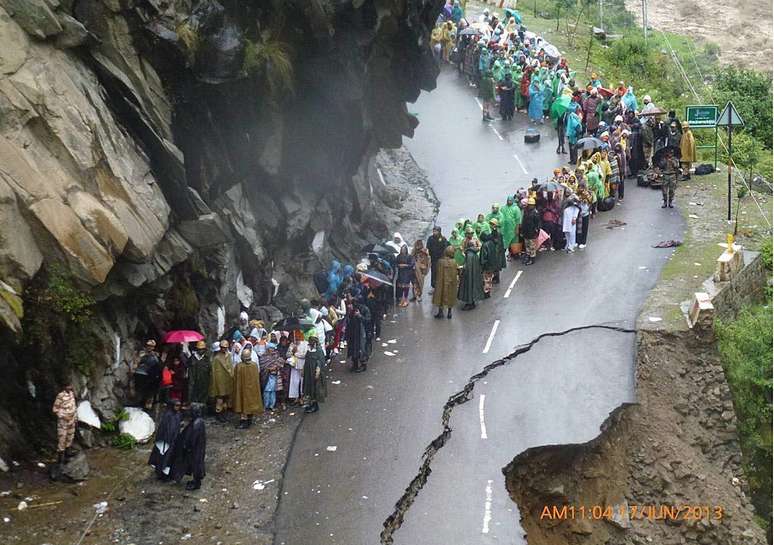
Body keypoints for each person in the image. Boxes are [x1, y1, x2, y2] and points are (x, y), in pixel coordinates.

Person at [170, 404, 206, 491]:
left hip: (195, 449)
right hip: (197, 448)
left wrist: (187, 446)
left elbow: (192, 438)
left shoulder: (197, 424)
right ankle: (194, 480)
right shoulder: (198, 422)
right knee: (195, 464)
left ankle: (196, 483)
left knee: (196, 465)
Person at [148, 400, 182, 480]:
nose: (178, 407)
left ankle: (166, 473)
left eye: (179, 405)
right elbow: (162, 429)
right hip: (165, 441)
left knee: (169, 458)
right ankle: (160, 473)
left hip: (173, 440)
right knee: (162, 457)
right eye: (176, 405)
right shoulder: (167, 416)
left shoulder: (178, 415)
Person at [233, 348, 263, 429]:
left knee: (244, 404)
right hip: (250, 389)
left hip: (243, 390)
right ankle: (249, 419)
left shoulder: (239, 366)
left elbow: (235, 379)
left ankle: (245, 421)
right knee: (250, 403)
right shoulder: (254, 365)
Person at [52, 383, 77, 465]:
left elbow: (74, 407)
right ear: (64, 386)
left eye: (70, 386)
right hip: (63, 422)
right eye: (68, 386)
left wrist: (75, 418)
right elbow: (55, 409)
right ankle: (60, 459)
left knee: (70, 437)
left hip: (72, 421)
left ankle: (67, 455)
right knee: (62, 439)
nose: (70, 387)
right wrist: (64, 416)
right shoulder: (60, 396)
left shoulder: (72, 394)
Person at [209, 340, 233, 423]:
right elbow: (214, 372)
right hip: (219, 382)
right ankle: (219, 414)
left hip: (227, 380)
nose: (224, 349)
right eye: (222, 347)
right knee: (220, 398)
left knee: (226, 398)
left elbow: (231, 367)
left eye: (225, 348)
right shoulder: (216, 358)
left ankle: (224, 413)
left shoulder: (229, 355)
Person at [432, 246, 459, 319]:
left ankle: (440, 312)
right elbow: (455, 273)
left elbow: (437, 272)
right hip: (451, 282)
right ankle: (449, 313)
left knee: (440, 295)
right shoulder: (454, 262)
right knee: (450, 296)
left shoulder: (440, 261)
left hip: (441, 282)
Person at [345, 295, 370, 372]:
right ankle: (355, 363)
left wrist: (360, 316)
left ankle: (363, 364)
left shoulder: (365, 309)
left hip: (361, 332)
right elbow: (348, 320)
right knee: (353, 347)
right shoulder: (351, 310)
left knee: (361, 348)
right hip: (352, 332)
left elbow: (368, 321)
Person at [458, 238, 485, 310]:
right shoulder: (475, 254)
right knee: (473, 288)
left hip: (469, 276)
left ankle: (470, 303)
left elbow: (467, 267)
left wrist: (461, 268)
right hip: (474, 275)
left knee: (469, 288)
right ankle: (472, 301)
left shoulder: (469, 255)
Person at [302, 336, 327, 413]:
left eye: (311, 342)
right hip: (308, 373)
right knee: (309, 389)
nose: (310, 344)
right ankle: (310, 404)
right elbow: (306, 361)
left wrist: (318, 371)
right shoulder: (309, 350)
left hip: (315, 374)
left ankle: (315, 406)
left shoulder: (319, 351)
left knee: (315, 389)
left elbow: (321, 362)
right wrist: (303, 370)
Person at [134, 339, 161, 409]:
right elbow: (138, 360)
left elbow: (155, 364)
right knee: (139, 389)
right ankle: (138, 402)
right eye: (148, 346)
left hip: (148, 375)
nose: (149, 347)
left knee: (146, 390)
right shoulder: (142, 353)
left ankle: (144, 403)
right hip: (139, 373)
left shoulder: (154, 355)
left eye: (151, 346)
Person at [187, 340, 211, 406]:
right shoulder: (192, 359)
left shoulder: (207, 360)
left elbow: (209, 371)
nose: (201, 351)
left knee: (202, 401)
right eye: (199, 349)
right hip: (194, 384)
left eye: (202, 349)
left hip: (204, 384)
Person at [287, 331, 307, 403]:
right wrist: (292, 351)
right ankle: (295, 397)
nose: (297, 340)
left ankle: (302, 397)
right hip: (294, 366)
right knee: (294, 382)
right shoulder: (292, 344)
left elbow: (304, 355)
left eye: (299, 338)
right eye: (296, 338)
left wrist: (295, 353)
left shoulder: (305, 344)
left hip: (302, 366)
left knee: (302, 382)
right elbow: (288, 355)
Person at [521, 198, 541, 265]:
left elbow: (538, 224)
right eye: (529, 204)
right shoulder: (526, 212)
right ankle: (528, 257)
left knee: (532, 247)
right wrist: (522, 231)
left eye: (531, 205)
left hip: (532, 233)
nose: (530, 206)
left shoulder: (535, 213)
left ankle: (532, 259)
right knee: (527, 246)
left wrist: (536, 232)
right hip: (526, 232)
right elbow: (523, 222)